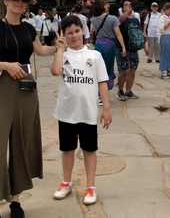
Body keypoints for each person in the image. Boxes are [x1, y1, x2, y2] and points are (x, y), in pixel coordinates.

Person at [0, 0, 58, 218]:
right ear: (6, 1)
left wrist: (58, 47)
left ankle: (16, 200)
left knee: (22, 144)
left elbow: (39, 51)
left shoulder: (29, 28)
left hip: (26, 88)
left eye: (23, 0)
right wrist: (6, 66)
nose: (19, 3)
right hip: (0, 86)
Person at [50, 15, 112, 205]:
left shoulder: (95, 55)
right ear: (64, 35)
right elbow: (55, 71)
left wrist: (106, 108)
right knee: (67, 148)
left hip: (88, 112)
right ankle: (66, 182)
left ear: (83, 31)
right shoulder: (63, 55)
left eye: (77, 31)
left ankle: (90, 186)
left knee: (89, 149)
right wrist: (60, 50)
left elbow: (102, 82)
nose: (74, 35)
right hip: (67, 112)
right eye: (69, 33)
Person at [89, 0, 126, 91]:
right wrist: (123, 47)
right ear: (103, 7)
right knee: (108, 68)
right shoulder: (113, 18)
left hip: (99, 45)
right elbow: (118, 34)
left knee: (100, 68)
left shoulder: (93, 19)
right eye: (105, 4)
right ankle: (105, 89)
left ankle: (99, 90)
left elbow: (91, 32)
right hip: (110, 45)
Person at [116, 0, 142, 100]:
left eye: (130, 5)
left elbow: (138, 33)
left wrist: (145, 46)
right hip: (123, 48)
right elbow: (119, 22)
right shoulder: (121, 18)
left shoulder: (135, 19)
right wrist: (127, 12)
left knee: (132, 70)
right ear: (122, 7)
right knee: (124, 70)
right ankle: (120, 90)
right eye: (126, 5)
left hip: (133, 48)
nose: (128, 6)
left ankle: (128, 90)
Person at [159, 2, 170, 79]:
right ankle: (163, 70)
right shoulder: (162, 17)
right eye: (169, 10)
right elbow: (162, 28)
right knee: (165, 53)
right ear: (165, 10)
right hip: (165, 35)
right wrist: (169, 23)